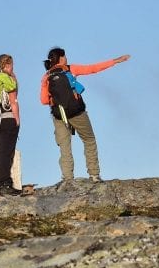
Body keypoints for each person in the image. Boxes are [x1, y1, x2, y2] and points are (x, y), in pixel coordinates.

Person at [39, 47, 129, 184]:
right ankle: (94, 175)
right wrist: (115, 61)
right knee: (89, 139)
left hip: (59, 115)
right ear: (61, 58)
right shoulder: (70, 69)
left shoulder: (46, 76)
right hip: (77, 112)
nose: (67, 58)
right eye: (65, 56)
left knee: (65, 146)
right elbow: (93, 68)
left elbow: (44, 100)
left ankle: (67, 178)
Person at [0, 54, 22, 196]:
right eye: (10, 64)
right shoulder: (6, 78)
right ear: (6, 65)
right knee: (6, 153)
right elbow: (13, 99)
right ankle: (5, 183)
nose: (12, 67)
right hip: (7, 119)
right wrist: (17, 120)